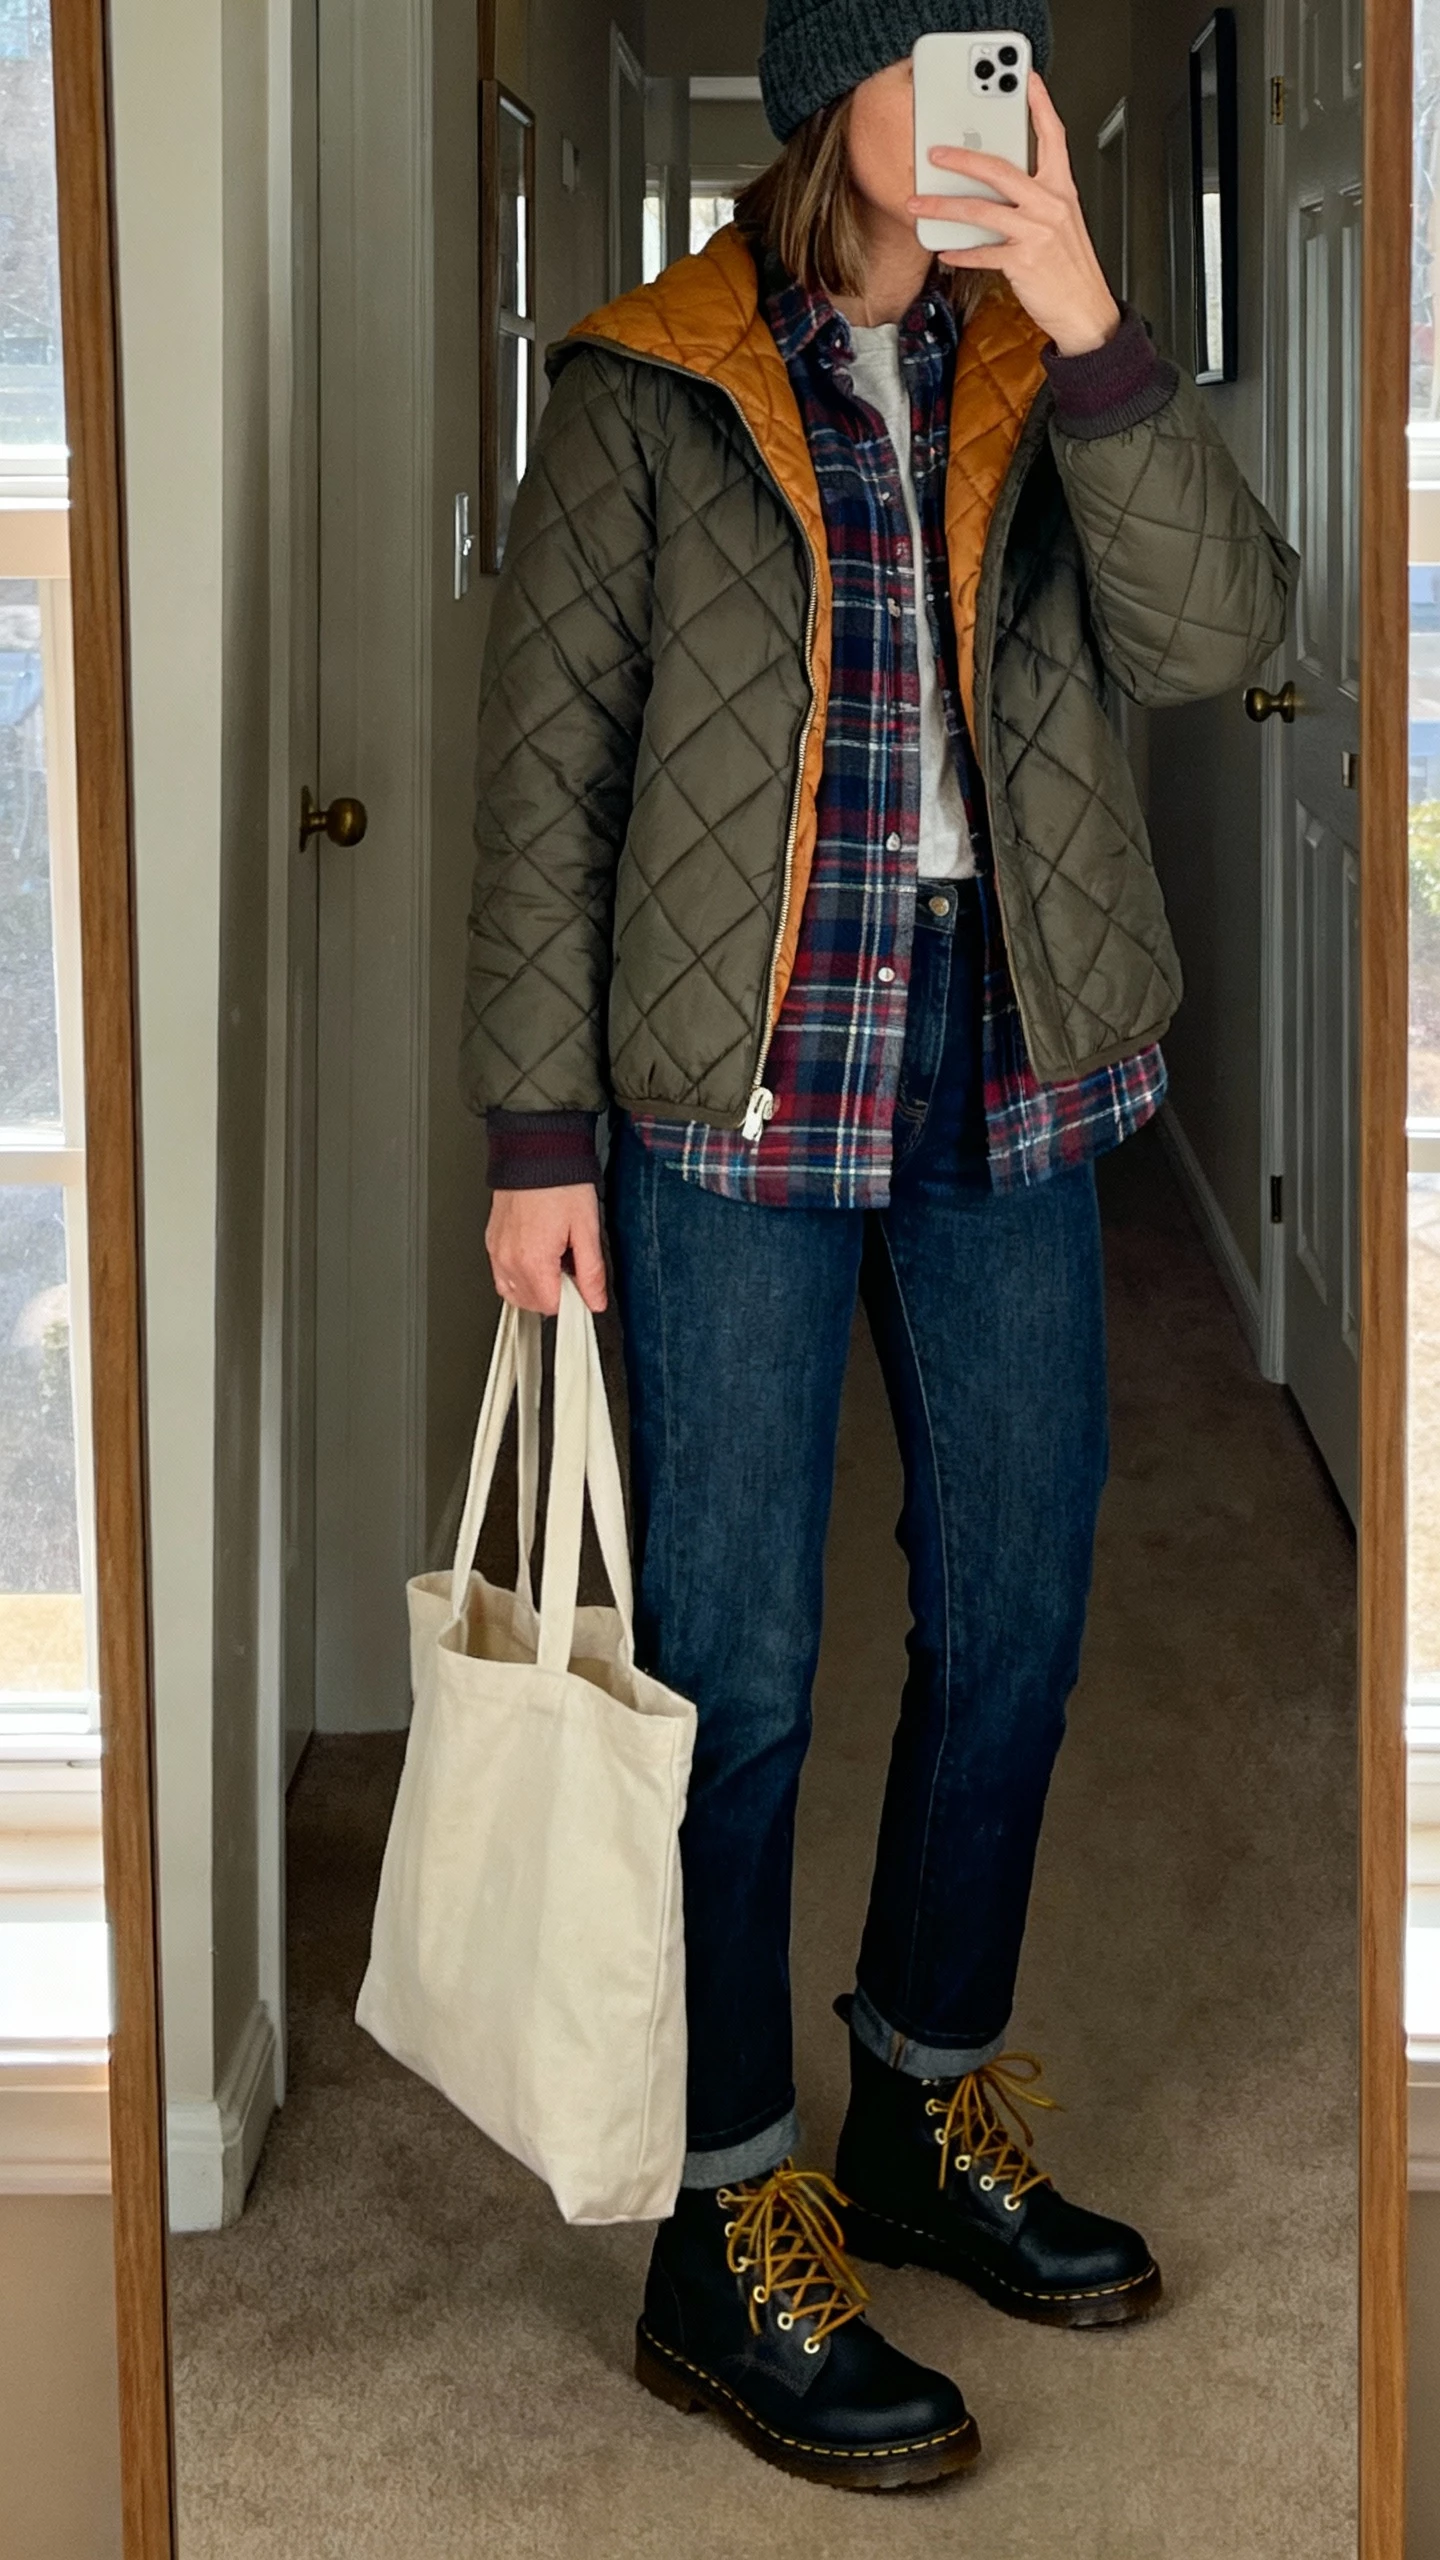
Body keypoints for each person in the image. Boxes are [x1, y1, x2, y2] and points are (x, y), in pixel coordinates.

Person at [464, 0, 1296, 2494]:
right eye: (942, 81)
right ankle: (727, 2218)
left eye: (1010, 83)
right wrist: (535, 1139)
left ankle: (923, 2105)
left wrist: (1097, 321)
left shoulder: (1049, 361)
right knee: (732, 1664)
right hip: (731, 1086)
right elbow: (551, 779)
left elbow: (1225, 641)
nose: (988, 128)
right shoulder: (641, 383)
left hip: (1011, 1059)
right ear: (828, 94)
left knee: (1020, 1608)